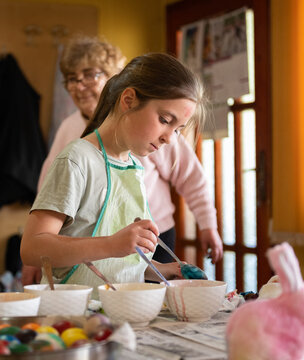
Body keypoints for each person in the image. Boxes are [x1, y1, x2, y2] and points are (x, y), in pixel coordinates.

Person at [21, 36, 223, 286]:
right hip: (77, 317)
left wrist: (164, 269)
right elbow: (32, 247)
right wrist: (111, 244)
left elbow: (118, 265)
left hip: (119, 311)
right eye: (164, 120)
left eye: (178, 129)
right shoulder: (76, 159)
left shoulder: (133, 165)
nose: (169, 140)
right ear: (128, 100)